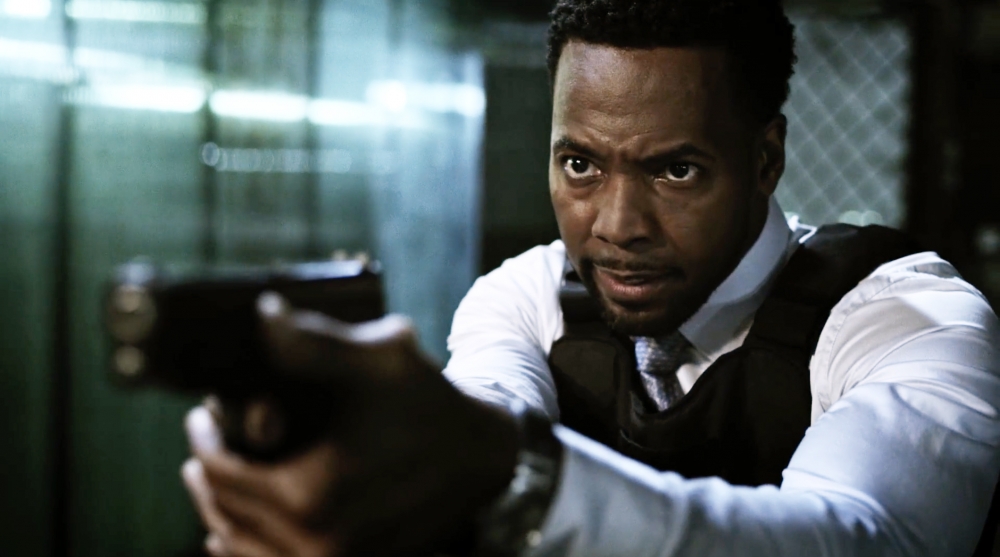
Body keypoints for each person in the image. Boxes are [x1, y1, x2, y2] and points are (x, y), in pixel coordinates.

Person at [181, 1, 1000, 556]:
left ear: (765, 159)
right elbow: (490, 404)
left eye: (675, 170)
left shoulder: (911, 318)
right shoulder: (526, 297)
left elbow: (863, 538)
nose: (616, 224)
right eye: (580, 164)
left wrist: (516, 474)